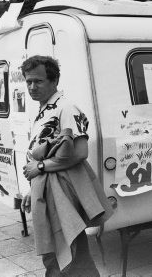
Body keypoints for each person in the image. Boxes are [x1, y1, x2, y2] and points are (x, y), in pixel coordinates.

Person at [20, 56, 112, 277]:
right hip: (46, 189)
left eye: (38, 81)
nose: (32, 87)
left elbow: (80, 152)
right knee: (63, 254)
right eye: (29, 82)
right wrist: (33, 189)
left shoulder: (66, 108)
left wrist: (40, 167)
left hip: (60, 192)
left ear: (54, 81)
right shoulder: (44, 110)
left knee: (64, 254)